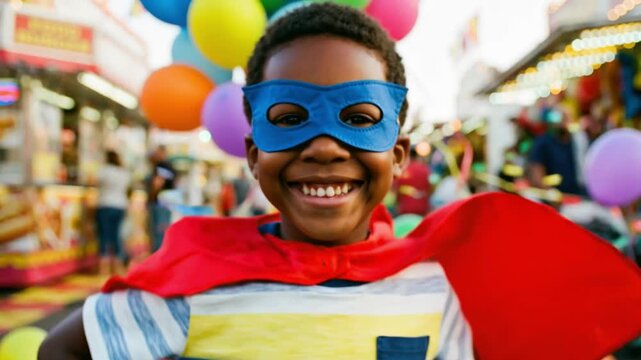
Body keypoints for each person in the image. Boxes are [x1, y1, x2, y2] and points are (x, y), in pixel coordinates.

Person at [40, 4, 641, 360]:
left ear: (399, 155)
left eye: (359, 119)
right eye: (289, 119)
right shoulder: (191, 285)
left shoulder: (436, 287)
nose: (326, 146)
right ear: (253, 155)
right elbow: (60, 350)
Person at [95, 150, 131, 275]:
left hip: (105, 204)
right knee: (116, 236)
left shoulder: (104, 171)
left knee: (104, 236)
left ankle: (103, 268)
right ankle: (117, 267)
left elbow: (95, 182)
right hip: (120, 205)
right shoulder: (123, 172)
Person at [145, 145, 176, 251]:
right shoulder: (170, 166)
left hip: (160, 202)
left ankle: (158, 254)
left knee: (158, 230)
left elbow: (158, 183)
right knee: (163, 228)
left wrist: (152, 196)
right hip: (167, 202)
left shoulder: (162, 165)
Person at [394, 147, 431, 215]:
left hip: (406, 208)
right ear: (417, 156)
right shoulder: (424, 169)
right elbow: (429, 188)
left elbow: (397, 190)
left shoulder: (403, 170)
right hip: (422, 207)